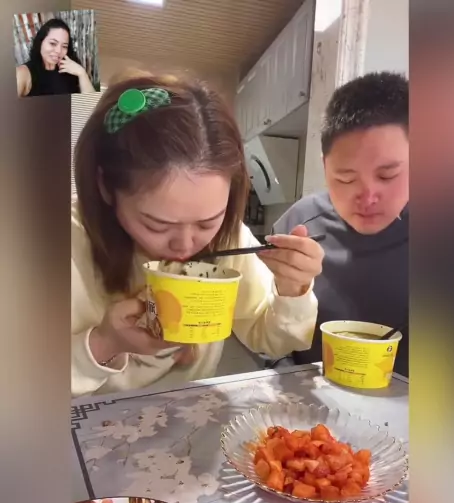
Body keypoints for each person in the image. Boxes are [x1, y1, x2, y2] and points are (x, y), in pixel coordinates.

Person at [72, 73, 324, 397]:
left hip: (189, 411)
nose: (185, 245)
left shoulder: (229, 238)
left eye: (207, 223)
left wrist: (293, 287)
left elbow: (268, 340)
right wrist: (104, 343)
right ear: (106, 187)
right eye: (157, 225)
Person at [273, 71, 409, 376]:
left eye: (387, 175)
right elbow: (267, 342)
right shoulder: (298, 227)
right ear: (325, 166)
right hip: (310, 400)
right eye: (346, 179)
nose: (368, 197)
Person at [16, 18, 95, 97]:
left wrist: (82, 73)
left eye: (64, 46)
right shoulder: (22, 73)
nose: (58, 51)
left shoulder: (71, 68)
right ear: (40, 42)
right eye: (53, 43)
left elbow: (91, 102)